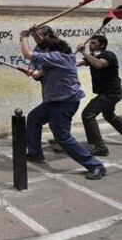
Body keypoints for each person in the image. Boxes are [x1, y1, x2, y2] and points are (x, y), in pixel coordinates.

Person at [20, 27, 106, 180]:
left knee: (62, 137)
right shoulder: (57, 57)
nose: (41, 51)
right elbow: (39, 74)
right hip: (53, 101)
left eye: (44, 49)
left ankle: (95, 165)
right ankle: (35, 153)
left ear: (51, 49)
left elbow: (28, 54)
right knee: (34, 118)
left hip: (64, 103)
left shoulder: (58, 57)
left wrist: (24, 36)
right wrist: (31, 73)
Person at [77, 35, 122, 156]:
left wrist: (84, 52)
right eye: (90, 42)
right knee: (109, 115)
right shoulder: (94, 57)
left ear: (102, 45)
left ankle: (100, 147)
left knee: (88, 114)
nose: (90, 45)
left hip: (110, 93)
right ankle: (98, 145)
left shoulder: (108, 55)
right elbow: (77, 63)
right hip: (109, 93)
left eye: (93, 43)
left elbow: (99, 65)